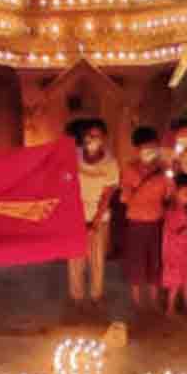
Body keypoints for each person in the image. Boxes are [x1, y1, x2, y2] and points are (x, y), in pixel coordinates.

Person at [67, 119, 119, 312]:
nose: (93, 139)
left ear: (104, 138)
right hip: (75, 217)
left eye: (97, 135)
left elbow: (107, 194)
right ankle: (76, 297)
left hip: (100, 218)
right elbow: (66, 182)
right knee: (75, 259)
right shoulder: (74, 156)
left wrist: (96, 221)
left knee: (97, 260)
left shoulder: (110, 163)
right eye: (90, 135)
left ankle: (96, 296)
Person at [120, 126, 169, 311]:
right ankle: (137, 303)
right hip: (136, 222)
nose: (150, 152)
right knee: (137, 262)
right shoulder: (130, 170)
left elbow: (169, 194)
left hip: (156, 221)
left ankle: (154, 301)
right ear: (137, 149)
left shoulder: (163, 169)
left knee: (155, 261)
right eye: (146, 148)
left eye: (153, 147)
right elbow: (125, 198)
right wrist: (140, 191)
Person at [163, 173, 187, 317]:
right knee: (176, 279)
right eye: (185, 193)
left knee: (185, 276)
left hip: (183, 249)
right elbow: (175, 232)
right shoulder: (173, 209)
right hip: (174, 250)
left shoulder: (183, 208)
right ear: (176, 192)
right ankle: (170, 308)